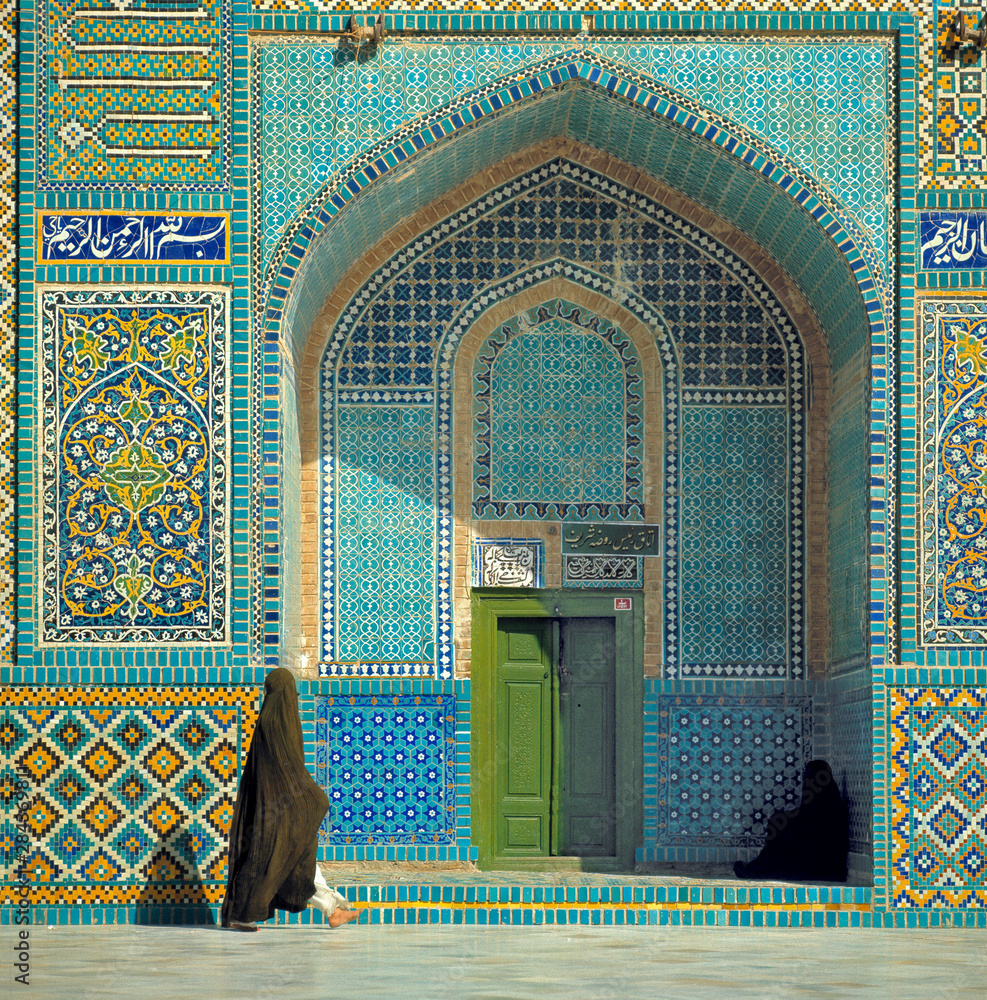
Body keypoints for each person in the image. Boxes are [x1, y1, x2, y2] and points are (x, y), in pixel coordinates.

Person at [221, 667, 360, 930]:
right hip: (279, 811)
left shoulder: (271, 721)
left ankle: (333, 910)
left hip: (278, 808)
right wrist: (312, 798)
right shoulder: (276, 724)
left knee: (301, 860)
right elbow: (287, 772)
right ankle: (242, 914)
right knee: (277, 860)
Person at [733, 759, 849, 883]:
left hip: (821, 860)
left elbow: (816, 826)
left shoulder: (830, 802)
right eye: (806, 778)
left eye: (810, 777)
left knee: (782, 828)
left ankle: (762, 866)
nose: (807, 782)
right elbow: (807, 817)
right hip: (814, 850)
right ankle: (762, 864)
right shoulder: (823, 795)